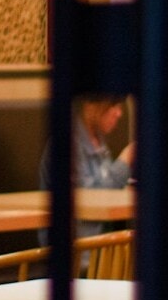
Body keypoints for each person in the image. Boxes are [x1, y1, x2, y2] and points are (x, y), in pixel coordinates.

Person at [40, 95, 135, 240]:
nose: (119, 113)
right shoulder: (67, 143)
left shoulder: (98, 140)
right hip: (76, 249)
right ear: (90, 106)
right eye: (113, 105)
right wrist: (126, 159)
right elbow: (91, 197)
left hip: (103, 245)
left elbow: (106, 188)